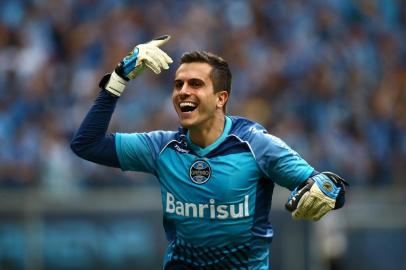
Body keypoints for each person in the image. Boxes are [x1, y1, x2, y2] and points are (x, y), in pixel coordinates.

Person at [70, 35, 348, 270]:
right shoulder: (161, 148)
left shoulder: (256, 144)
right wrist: (119, 78)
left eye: (195, 84)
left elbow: (325, 186)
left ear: (221, 98)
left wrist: (327, 188)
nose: (182, 91)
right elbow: (86, 144)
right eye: (178, 84)